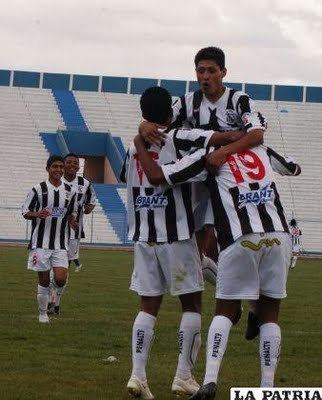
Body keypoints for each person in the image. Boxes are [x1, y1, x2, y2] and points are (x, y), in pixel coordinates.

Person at [134, 110, 294, 396]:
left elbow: (157, 175)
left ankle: (209, 380)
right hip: (278, 235)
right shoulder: (261, 148)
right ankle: (266, 387)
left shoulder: (206, 155)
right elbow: (293, 168)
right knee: (270, 314)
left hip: (239, 237)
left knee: (225, 309)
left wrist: (139, 140)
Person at [121, 87, 251, 399]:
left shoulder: (131, 147)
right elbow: (215, 144)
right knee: (191, 303)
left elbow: (127, 177)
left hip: (142, 236)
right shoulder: (179, 140)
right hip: (176, 236)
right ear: (171, 112)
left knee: (148, 305)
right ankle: (183, 375)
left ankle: (137, 376)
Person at [139, 45, 267, 307]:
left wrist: (224, 152)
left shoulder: (239, 99)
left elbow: (256, 134)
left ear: (223, 72)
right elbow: (160, 120)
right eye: (200, 71)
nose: (205, 76)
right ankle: (244, 304)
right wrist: (144, 125)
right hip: (197, 179)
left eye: (211, 71)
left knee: (230, 244)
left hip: (233, 181)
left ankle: (250, 302)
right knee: (201, 252)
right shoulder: (187, 102)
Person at [22, 155, 78, 323]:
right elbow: (25, 212)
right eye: (55, 166)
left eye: (61, 167)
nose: (58, 170)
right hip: (40, 243)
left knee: (61, 279)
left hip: (61, 243)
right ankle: (42, 314)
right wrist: (37, 214)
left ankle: (51, 298)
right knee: (44, 280)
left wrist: (73, 222)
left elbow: (70, 213)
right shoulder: (38, 189)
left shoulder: (70, 191)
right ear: (48, 168)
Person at [47, 153, 97, 315]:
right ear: (63, 164)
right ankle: (49, 299)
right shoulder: (55, 183)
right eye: (68, 162)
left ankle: (55, 302)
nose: (72, 165)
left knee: (64, 269)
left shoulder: (85, 184)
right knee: (50, 268)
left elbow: (91, 201)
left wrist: (89, 207)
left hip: (73, 234)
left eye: (76, 163)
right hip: (54, 231)